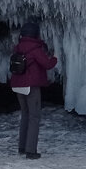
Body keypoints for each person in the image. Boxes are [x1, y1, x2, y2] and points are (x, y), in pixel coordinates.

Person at [8, 20, 57, 160]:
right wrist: (55, 58)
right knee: (34, 117)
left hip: (17, 85)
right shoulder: (35, 49)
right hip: (31, 86)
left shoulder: (18, 48)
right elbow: (47, 64)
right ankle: (31, 150)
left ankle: (22, 147)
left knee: (25, 114)